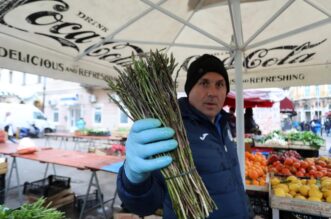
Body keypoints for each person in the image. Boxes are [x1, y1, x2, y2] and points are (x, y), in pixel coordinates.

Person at [117, 54, 252, 218]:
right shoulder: (169, 130)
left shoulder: (224, 124)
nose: (212, 93)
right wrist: (133, 179)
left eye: (219, 84)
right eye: (204, 83)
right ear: (190, 89)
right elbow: (145, 205)